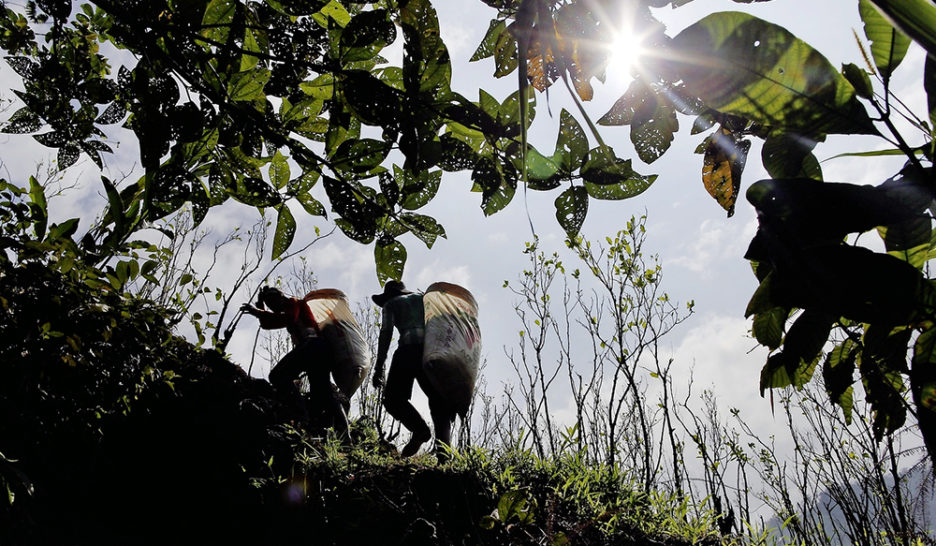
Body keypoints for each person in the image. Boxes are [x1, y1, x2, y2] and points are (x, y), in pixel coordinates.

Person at [241, 286, 349, 437]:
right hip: (318, 350)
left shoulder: (293, 302)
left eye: (272, 302)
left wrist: (258, 311)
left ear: (280, 298)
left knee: (278, 376)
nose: (273, 308)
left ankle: (301, 416)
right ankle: (341, 432)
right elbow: (267, 324)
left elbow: (289, 318)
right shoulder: (286, 309)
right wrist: (260, 307)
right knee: (323, 393)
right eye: (269, 305)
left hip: (313, 346)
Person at [372, 280, 452, 457]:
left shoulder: (390, 304)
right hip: (432, 352)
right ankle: (444, 454)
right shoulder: (424, 299)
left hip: (407, 351)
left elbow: (386, 333)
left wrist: (379, 366)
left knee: (393, 400)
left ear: (389, 295)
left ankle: (420, 430)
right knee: (438, 402)